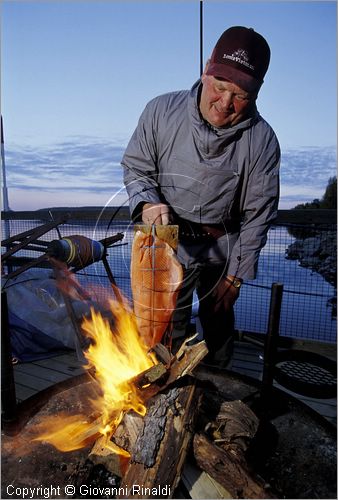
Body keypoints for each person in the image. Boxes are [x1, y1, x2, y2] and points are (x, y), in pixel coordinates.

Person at [122, 26, 280, 366]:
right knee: (166, 332)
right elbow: (136, 167)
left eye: (241, 96)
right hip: (167, 245)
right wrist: (147, 202)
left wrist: (236, 277)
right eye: (220, 87)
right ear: (206, 69)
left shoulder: (263, 141)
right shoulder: (160, 111)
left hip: (222, 250)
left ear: (257, 93)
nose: (225, 104)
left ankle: (218, 395)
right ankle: (165, 396)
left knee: (219, 323)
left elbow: (259, 216)